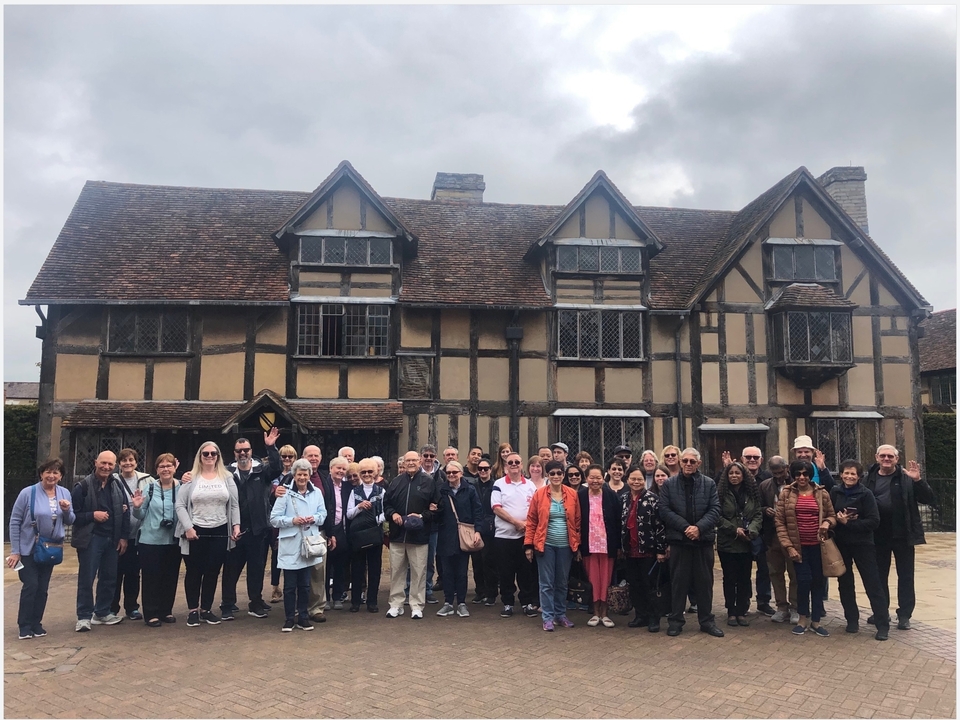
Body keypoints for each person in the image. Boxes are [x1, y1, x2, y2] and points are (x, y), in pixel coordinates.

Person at [862, 445, 934, 631]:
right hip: (877, 534)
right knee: (879, 576)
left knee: (906, 576)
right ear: (877, 457)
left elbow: (929, 499)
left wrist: (918, 481)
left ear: (897, 458)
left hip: (903, 534)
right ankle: (881, 611)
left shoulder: (906, 477)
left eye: (890, 456)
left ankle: (904, 615)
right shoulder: (868, 478)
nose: (886, 459)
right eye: (883, 456)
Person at [657, 448, 724, 637]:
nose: (687, 464)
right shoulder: (669, 484)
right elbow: (664, 510)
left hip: (702, 542)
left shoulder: (709, 484)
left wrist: (699, 528)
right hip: (679, 541)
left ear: (698, 464)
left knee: (704, 584)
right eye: (684, 461)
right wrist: (686, 527)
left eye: (692, 462)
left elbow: (715, 509)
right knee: (678, 583)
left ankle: (706, 621)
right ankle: (676, 621)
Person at [175, 441, 240, 627]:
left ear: (218, 456)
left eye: (213, 453)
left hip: (220, 529)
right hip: (196, 529)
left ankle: (206, 608)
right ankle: (193, 610)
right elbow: (180, 505)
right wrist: (188, 527)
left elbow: (234, 504)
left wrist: (236, 526)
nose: (210, 457)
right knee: (194, 571)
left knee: (212, 571)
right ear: (200, 456)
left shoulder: (227, 477)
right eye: (206, 454)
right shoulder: (191, 477)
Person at [8, 458, 75, 639]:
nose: (51, 476)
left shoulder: (65, 493)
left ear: (60, 476)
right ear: (41, 474)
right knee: (31, 585)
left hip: (50, 548)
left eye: (56, 472)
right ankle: (24, 625)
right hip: (28, 548)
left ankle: (36, 623)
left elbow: (70, 520)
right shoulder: (27, 493)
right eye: (48, 472)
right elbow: (15, 521)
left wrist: (67, 510)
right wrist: (15, 550)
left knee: (43, 588)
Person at [220, 431, 279, 621]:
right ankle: (227, 604)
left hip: (258, 529)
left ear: (251, 451)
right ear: (234, 453)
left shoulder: (262, 470)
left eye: (246, 450)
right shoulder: (226, 473)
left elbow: (277, 468)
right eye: (239, 451)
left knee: (257, 569)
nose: (243, 454)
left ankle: (255, 602)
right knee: (231, 569)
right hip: (234, 529)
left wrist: (271, 447)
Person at [775, 459, 836, 637]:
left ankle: (816, 621)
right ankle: (802, 618)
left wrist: (826, 523)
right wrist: (788, 546)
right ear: (793, 475)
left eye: (805, 473)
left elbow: (832, 516)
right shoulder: (786, 493)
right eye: (798, 473)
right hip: (798, 547)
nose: (802, 477)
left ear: (810, 475)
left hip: (818, 546)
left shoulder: (821, 493)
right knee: (802, 582)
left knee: (818, 582)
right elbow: (780, 522)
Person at [831, 460, 890, 641]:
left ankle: (882, 624)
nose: (849, 477)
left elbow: (874, 521)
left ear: (859, 476)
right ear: (841, 474)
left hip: (863, 544)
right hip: (842, 544)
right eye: (846, 473)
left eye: (853, 474)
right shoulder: (835, 492)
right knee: (845, 583)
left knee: (873, 583)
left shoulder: (867, 495)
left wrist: (850, 523)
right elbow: (829, 513)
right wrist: (836, 519)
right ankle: (852, 620)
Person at [71, 450, 130, 632]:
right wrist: (92, 515)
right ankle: (83, 616)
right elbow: (72, 516)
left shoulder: (117, 485)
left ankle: (102, 612)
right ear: (96, 462)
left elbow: (124, 512)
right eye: (103, 463)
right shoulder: (82, 487)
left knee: (109, 577)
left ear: (115, 466)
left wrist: (123, 537)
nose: (106, 467)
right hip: (91, 539)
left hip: (111, 539)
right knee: (86, 579)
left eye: (110, 464)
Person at [270, 458, 327, 632]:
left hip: (308, 543)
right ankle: (289, 618)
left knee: (305, 585)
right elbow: (274, 519)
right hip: (290, 543)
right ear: (294, 475)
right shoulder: (284, 493)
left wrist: (314, 519)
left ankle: (303, 617)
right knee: (289, 586)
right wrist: (292, 521)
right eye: (299, 474)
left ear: (310, 475)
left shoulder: (316, 492)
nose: (302, 477)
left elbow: (323, 513)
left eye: (305, 474)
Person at [524, 460, 581, 631]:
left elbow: (577, 522)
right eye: (552, 473)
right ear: (547, 475)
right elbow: (532, 520)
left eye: (559, 473)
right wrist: (528, 545)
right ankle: (547, 617)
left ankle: (560, 614)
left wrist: (577, 546)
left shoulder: (572, 494)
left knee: (562, 582)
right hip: (545, 544)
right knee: (546, 583)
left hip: (566, 545)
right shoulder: (539, 494)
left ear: (563, 475)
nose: (556, 476)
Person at [384, 451, 440, 619]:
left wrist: (422, 516)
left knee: (418, 572)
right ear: (404, 463)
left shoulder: (429, 482)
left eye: (414, 460)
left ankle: (416, 605)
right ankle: (396, 604)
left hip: (419, 537)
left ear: (420, 462)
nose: (411, 463)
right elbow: (386, 504)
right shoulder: (396, 482)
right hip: (397, 535)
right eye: (408, 460)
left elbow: (437, 507)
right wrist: (392, 514)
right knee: (396, 572)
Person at [131, 454, 182, 627]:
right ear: (156, 469)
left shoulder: (182, 487)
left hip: (173, 540)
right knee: (151, 578)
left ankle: (166, 610)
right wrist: (136, 507)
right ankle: (151, 613)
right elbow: (140, 514)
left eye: (169, 466)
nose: (166, 469)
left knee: (170, 577)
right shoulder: (149, 488)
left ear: (175, 467)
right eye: (162, 466)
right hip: (150, 540)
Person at [715, 462, 763, 627]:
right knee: (729, 578)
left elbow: (758, 514)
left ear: (744, 475)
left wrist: (752, 530)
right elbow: (717, 516)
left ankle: (741, 610)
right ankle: (731, 611)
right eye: (731, 473)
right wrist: (734, 529)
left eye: (737, 473)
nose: (734, 476)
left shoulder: (751, 493)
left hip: (746, 543)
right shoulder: (720, 493)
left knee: (744, 577)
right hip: (728, 542)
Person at [491, 451, 538, 619]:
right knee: (505, 572)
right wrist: (516, 523)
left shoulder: (530, 486)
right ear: (505, 466)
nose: (514, 465)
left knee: (525, 571)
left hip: (525, 537)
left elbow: (535, 508)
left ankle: (526, 603)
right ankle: (508, 603)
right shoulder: (499, 484)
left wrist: (526, 525)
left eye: (517, 462)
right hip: (504, 537)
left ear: (521, 464)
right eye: (510, 462)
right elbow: (496, 508)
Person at [620, 465, 667, 632]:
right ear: (627, 480)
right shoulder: (624, 498)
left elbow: (660, 525)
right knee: (635, 585)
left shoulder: (653, 499)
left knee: (650, 586)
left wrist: (661, 550)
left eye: (639, 479)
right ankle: (641, 615)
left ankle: (654, 618)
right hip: (630, 550)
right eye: (633, 479)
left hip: (649, 550)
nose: (636, 482)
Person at [435, 461, 483, 617]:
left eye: (454, 473)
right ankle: (448, 602)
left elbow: (478, 511)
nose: (451, 476)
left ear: (461, 473)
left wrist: (478, 531)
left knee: (462, 572)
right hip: (445, 536)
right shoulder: (442, 490)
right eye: (448, 473)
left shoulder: (469, 490)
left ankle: (461, 603)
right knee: (447, 572)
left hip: (464, 535)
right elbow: (437, 512)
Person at [111, 447, 153, 622]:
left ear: (136, 462)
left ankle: (132, 607)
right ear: (119, 463)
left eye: (131, 460)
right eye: (124, 460)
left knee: (133, 573)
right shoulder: (112, 480)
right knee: (114, 573)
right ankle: (111, 608)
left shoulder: (147, 480)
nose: (128, 463)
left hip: (138, 535)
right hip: (117, 534)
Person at [578, 464, 622, 628]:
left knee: (606, 580)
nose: (595, 481)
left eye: (598, 478)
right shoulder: (581, 496)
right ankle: (595, 613)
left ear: (603, 478)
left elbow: (618, 522)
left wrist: (618, 546)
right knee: (593, 580)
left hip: (607, 545)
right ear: (586, 478)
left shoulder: (611, 495)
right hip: (588, 546)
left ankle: (605, 613)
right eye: (592, 477)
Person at [759, 456, 798, 625]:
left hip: (792, 535)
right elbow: (757, 506)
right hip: (772, 535)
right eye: (774, 473)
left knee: (795, 573)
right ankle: (782, 607)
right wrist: (765, 509)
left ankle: (796, 607)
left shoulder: (797, 484)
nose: (778, 476)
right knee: (775, 572)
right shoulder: (765, 485)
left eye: (781, 472)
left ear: (787, 468)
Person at [346, 458, 385, 613]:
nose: (367, 474)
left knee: (375, 568)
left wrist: (374, 521)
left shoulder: (381, 491)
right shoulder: (354, 492)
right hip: (358, 535)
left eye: (370, 471)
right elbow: (349, 515)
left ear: (375, 473)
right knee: (357, 569)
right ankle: (355, 601)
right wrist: (359, 507)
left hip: (374, 534)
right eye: (364, 472)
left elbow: (385, 512)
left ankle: (372, 601)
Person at [268, 444, 297, 603]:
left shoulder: (297, 474)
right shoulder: (273, 474)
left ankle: (290, 587)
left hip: (292, 518)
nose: (287, 460)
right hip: (274, 518)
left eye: (290, 457)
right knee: (276, 553)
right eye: (284, 457)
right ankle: (275, 587)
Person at [322, 457, 352, 610]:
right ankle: (325, 597)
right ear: (331, 469)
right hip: (328, 528)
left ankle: (338, 596)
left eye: (343, 469)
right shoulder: (325, 485)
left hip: (343, 529)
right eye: (337, 468)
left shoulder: (347, 487)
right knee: (326, 566)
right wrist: (329, 532)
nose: (340, 471)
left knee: (340, 565)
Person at [471, 458, 498, 606]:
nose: (482, 471)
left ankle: (491, 592)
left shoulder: (496, 486)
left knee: (490, 561)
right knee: (476, 562)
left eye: (485, 469)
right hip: (475, 526)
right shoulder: (472, 486)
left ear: (490, 470)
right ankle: (480, 591)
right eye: (480, 469)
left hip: (491, 528)